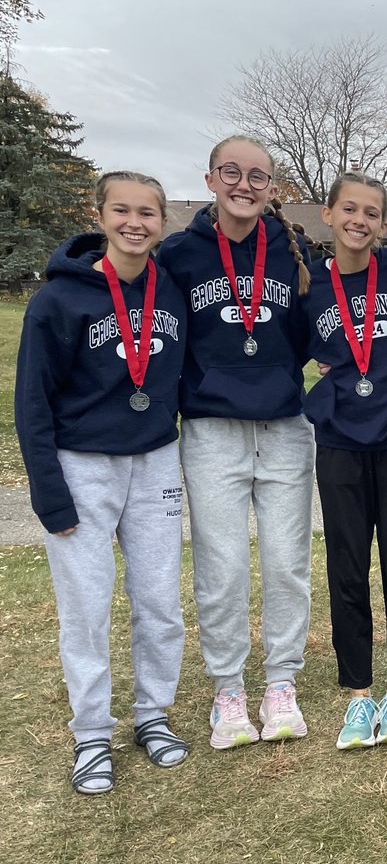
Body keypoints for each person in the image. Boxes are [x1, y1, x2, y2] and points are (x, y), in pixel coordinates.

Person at [16, 172, 189, 793]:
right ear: (100, 214)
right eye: (122, 210)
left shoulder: (171, 290)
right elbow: (32, 402)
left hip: (155, 460)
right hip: (81, 464)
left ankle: (153, 715)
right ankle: (92, 732)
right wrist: (48, 492)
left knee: (160, 603)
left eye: (148, 212)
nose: (135, 223)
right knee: (86, 608)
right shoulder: (59, 300)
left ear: (163, 221)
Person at [157, 135, 315, 750]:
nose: (244, 185)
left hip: (282, 427)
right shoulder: (180, 254)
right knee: (221, 566)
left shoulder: (291, 249)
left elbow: (305, 329)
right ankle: (228, 690)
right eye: (232, 172)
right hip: (211, 428)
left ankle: (281, 684)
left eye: (257, 176)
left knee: (286, 563)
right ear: (210, 178)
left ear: (272, 187)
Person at [303, 172, 387, 749]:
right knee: (347, 567)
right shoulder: (308, 284)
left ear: (384, 224)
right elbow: (295, 343)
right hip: (340, 442)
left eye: (372, 212)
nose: (360, 220)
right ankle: (358, 694)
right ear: (327, 214)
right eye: (348, 209)